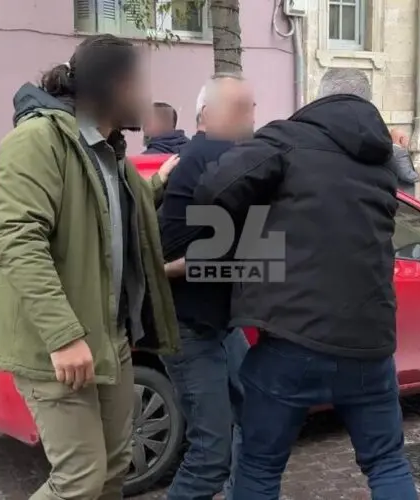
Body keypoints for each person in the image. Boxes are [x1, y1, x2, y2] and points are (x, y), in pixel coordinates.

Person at [192, 74, 419, 498]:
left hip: (292, 340)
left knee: (259, 466)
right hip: (369, 345)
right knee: (387, 463)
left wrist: (256, 219)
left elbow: (212, 188)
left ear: (320, 98)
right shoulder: (381, 161)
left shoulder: (286, 139)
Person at [0, 34, 180, 500]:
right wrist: (63, 336)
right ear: (115, 86)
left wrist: (160, 184)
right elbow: (18, 240)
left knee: (114, 469)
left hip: (109, 339)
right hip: (57, 346)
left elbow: (114, 210)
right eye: (140, 85)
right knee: (80, 479)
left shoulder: (111, 153)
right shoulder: (37, 141)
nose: (147, 99)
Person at [158, 73, 256, 500]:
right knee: (209, 456)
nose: (249, 117)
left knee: (256, 414)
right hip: (190, 327)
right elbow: (245, 245)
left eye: (251, 107)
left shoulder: (204, 158)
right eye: (239, 109)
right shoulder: (214, 155)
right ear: (205, 115)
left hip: (218, 324)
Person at [389, 128, 419, 196]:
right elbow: (406, 175)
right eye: (407, 139)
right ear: (401, 139)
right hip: (403, 194)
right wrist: (419, 177)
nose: (408, 141)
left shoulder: (388, 150)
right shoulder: (401, 152)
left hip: (392, 192)